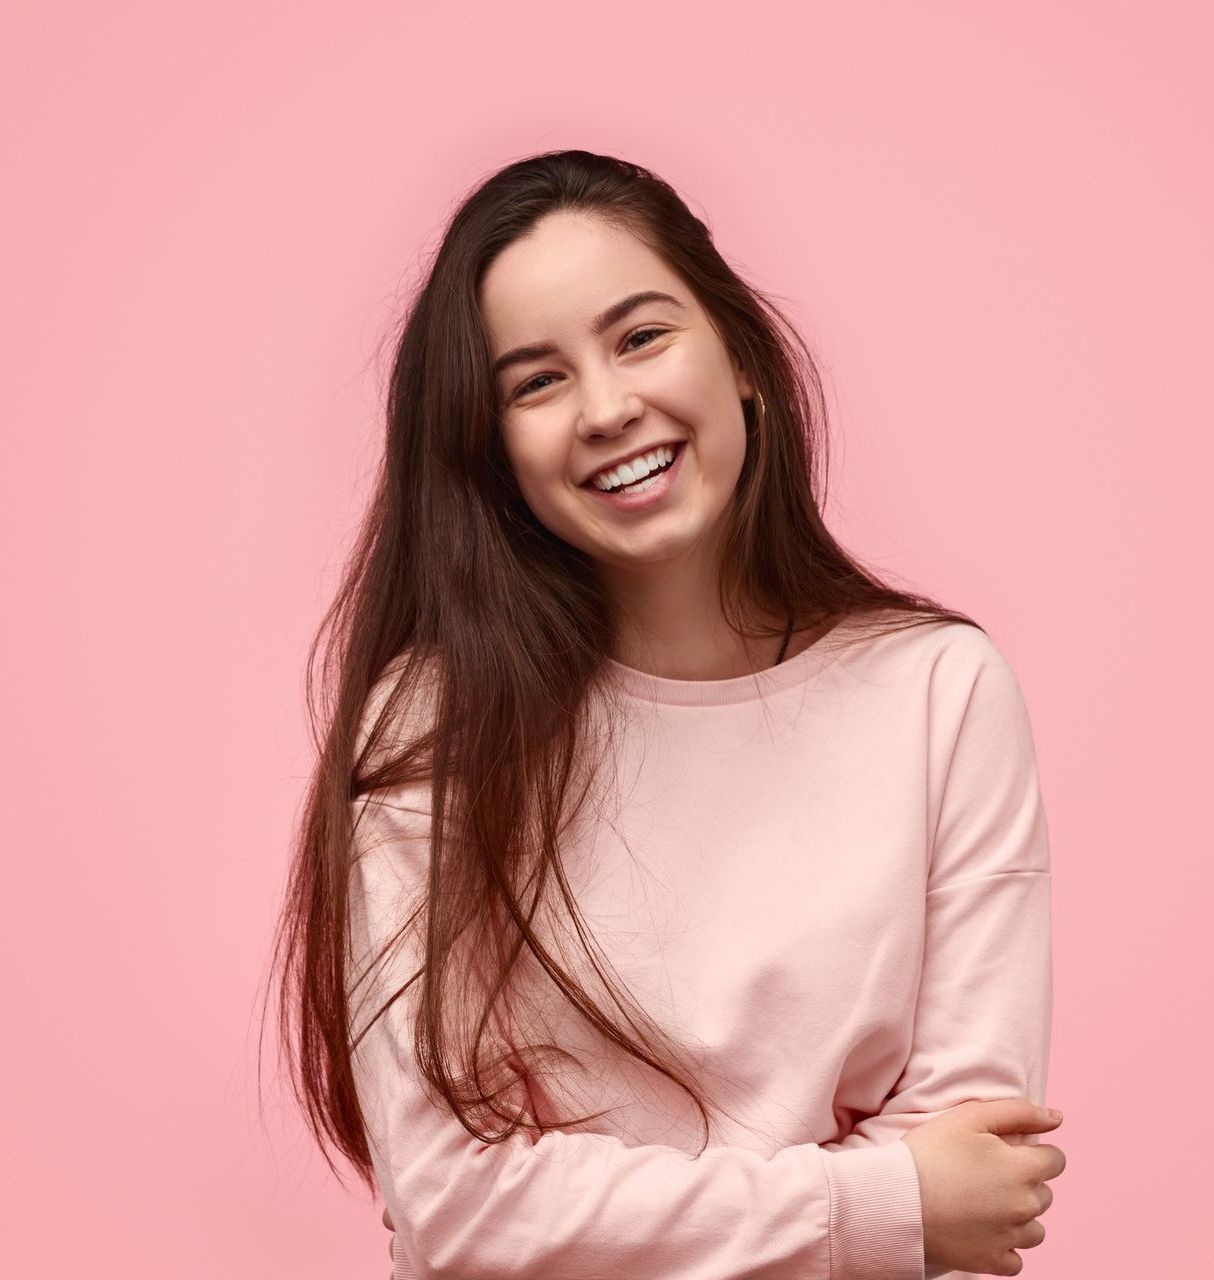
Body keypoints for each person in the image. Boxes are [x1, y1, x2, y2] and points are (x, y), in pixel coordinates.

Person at [270, 149, 1066, 1280]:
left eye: (640, 336)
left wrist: (595, 1212)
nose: (606, 407)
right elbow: (454, 1204)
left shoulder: (936, 691)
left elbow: (973, 1182)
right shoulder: (430, 727)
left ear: (741, 355)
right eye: (534, 382)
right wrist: (875, 1200)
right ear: (492, 452)